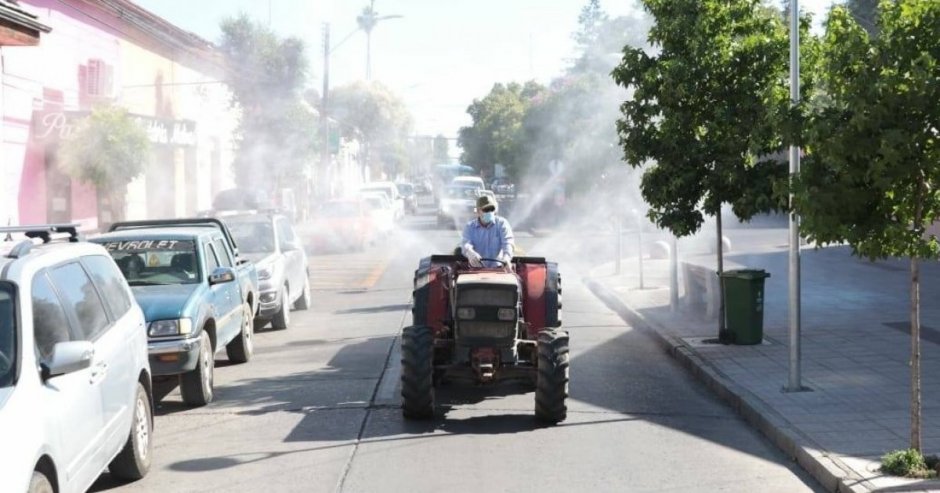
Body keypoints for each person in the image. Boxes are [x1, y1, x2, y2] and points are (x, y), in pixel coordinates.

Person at [460, 195, 514, 269]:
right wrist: (470, 253)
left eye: (492, 209)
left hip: (499, 269)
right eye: (486, 210)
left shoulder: (502, 224)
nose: (490, 212)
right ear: (478, 211)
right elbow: (465, 244)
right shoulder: (470, 227)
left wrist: (506, 258)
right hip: (476, 270)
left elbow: (508, 242)